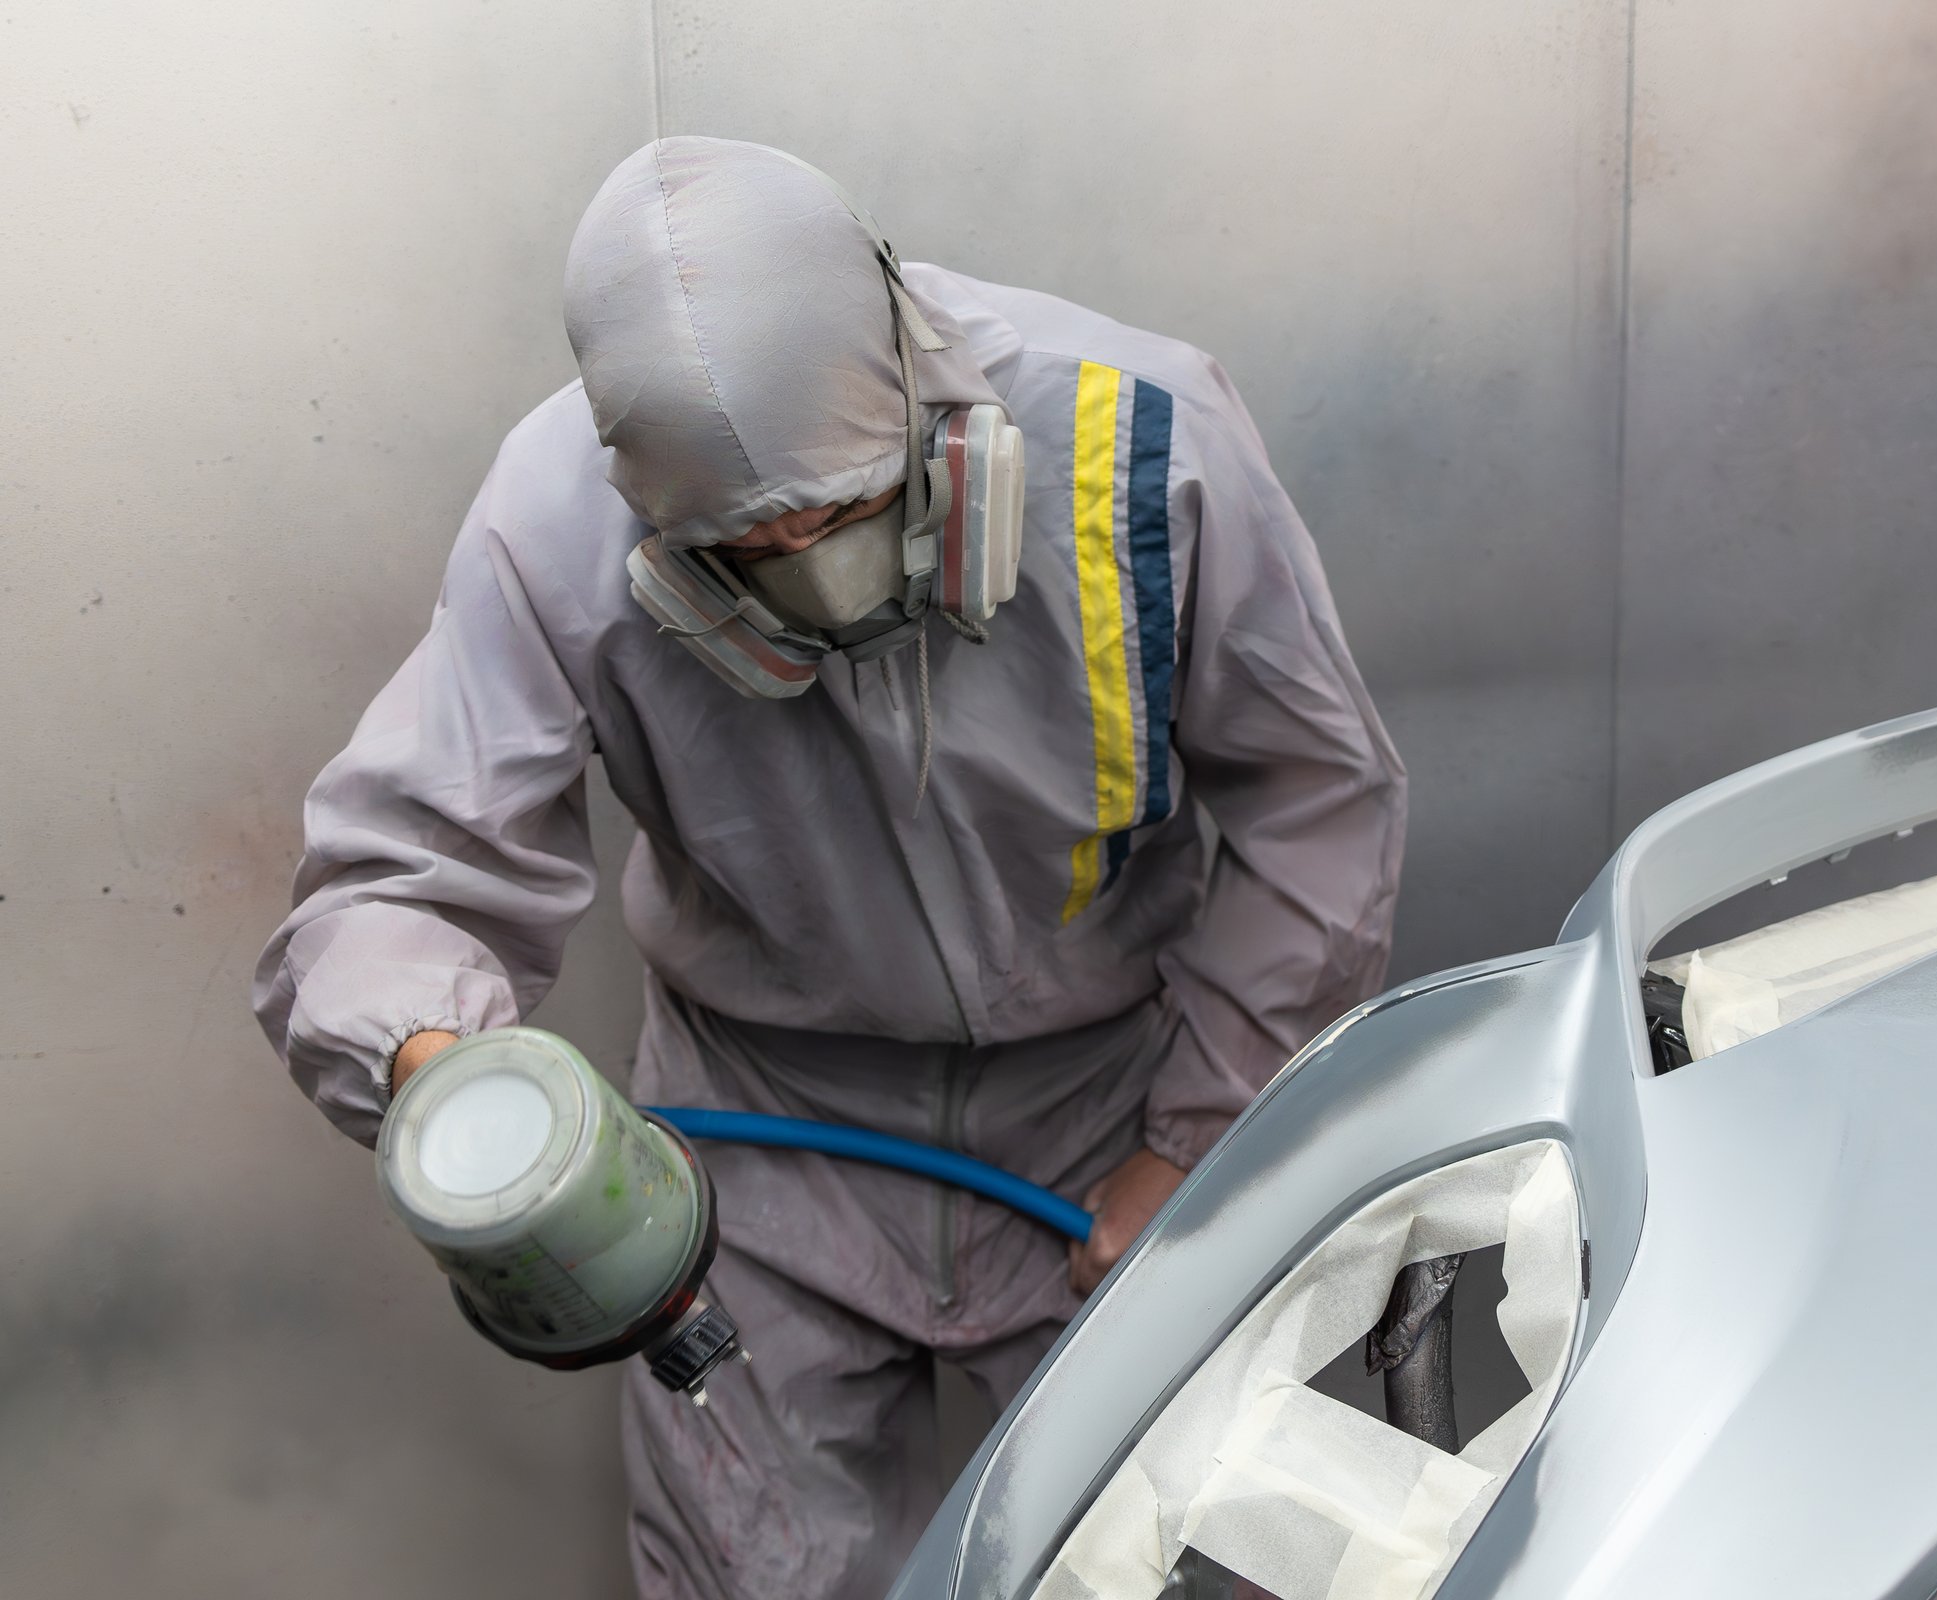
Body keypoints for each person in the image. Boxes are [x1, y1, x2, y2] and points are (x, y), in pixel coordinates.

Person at [253, 135, 1404, 1600]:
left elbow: (1318, 792)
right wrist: (439, 1076)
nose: (815, 575)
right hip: (763, 1137)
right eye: (749, 549)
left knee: (1212, 1554)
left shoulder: (1141, 435)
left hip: (1110, 1096)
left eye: (848, 509)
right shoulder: (553, 519)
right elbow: (396, 879)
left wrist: (1200, 1131)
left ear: (913, 370)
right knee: (762, 1578)